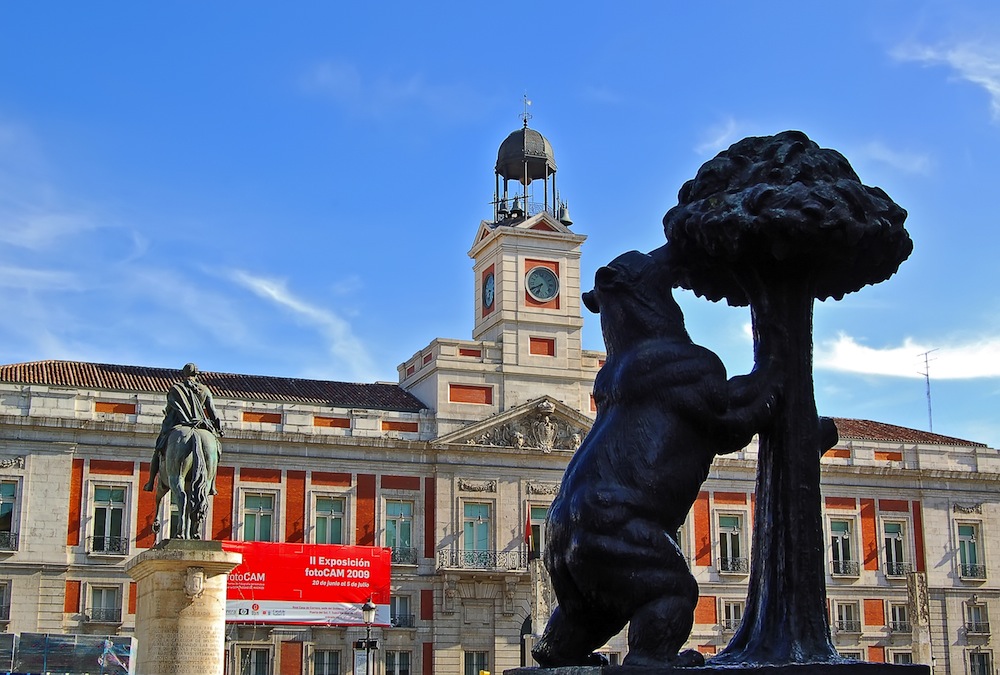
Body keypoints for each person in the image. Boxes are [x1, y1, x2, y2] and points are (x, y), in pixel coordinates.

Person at [143, 363, 224, 492]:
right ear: (197, 375)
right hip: (200, 424)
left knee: (158, 450)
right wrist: (219, 427)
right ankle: (212, 485)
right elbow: (213, 413)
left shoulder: (176, 389)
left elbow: (170, 409)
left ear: (184, 374)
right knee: (217, 451)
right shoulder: (205, 390)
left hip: (180, 424)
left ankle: (151, 481)